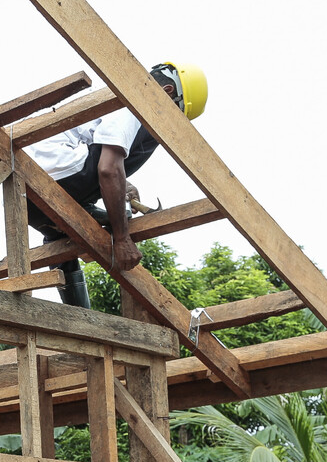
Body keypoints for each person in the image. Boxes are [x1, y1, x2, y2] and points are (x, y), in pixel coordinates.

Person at [22, 62, 207, 309]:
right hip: (52, 174)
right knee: (152, 135)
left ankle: (80, 319)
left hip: (25, 192)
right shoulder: (133, 100)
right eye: (175, 113)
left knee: (60, 240)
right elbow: (108, 169)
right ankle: (113, 216)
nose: (168, 120)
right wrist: (122, 238)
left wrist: (122, 184)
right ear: (167, 91)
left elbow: (97, 156)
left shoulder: (111, 100)